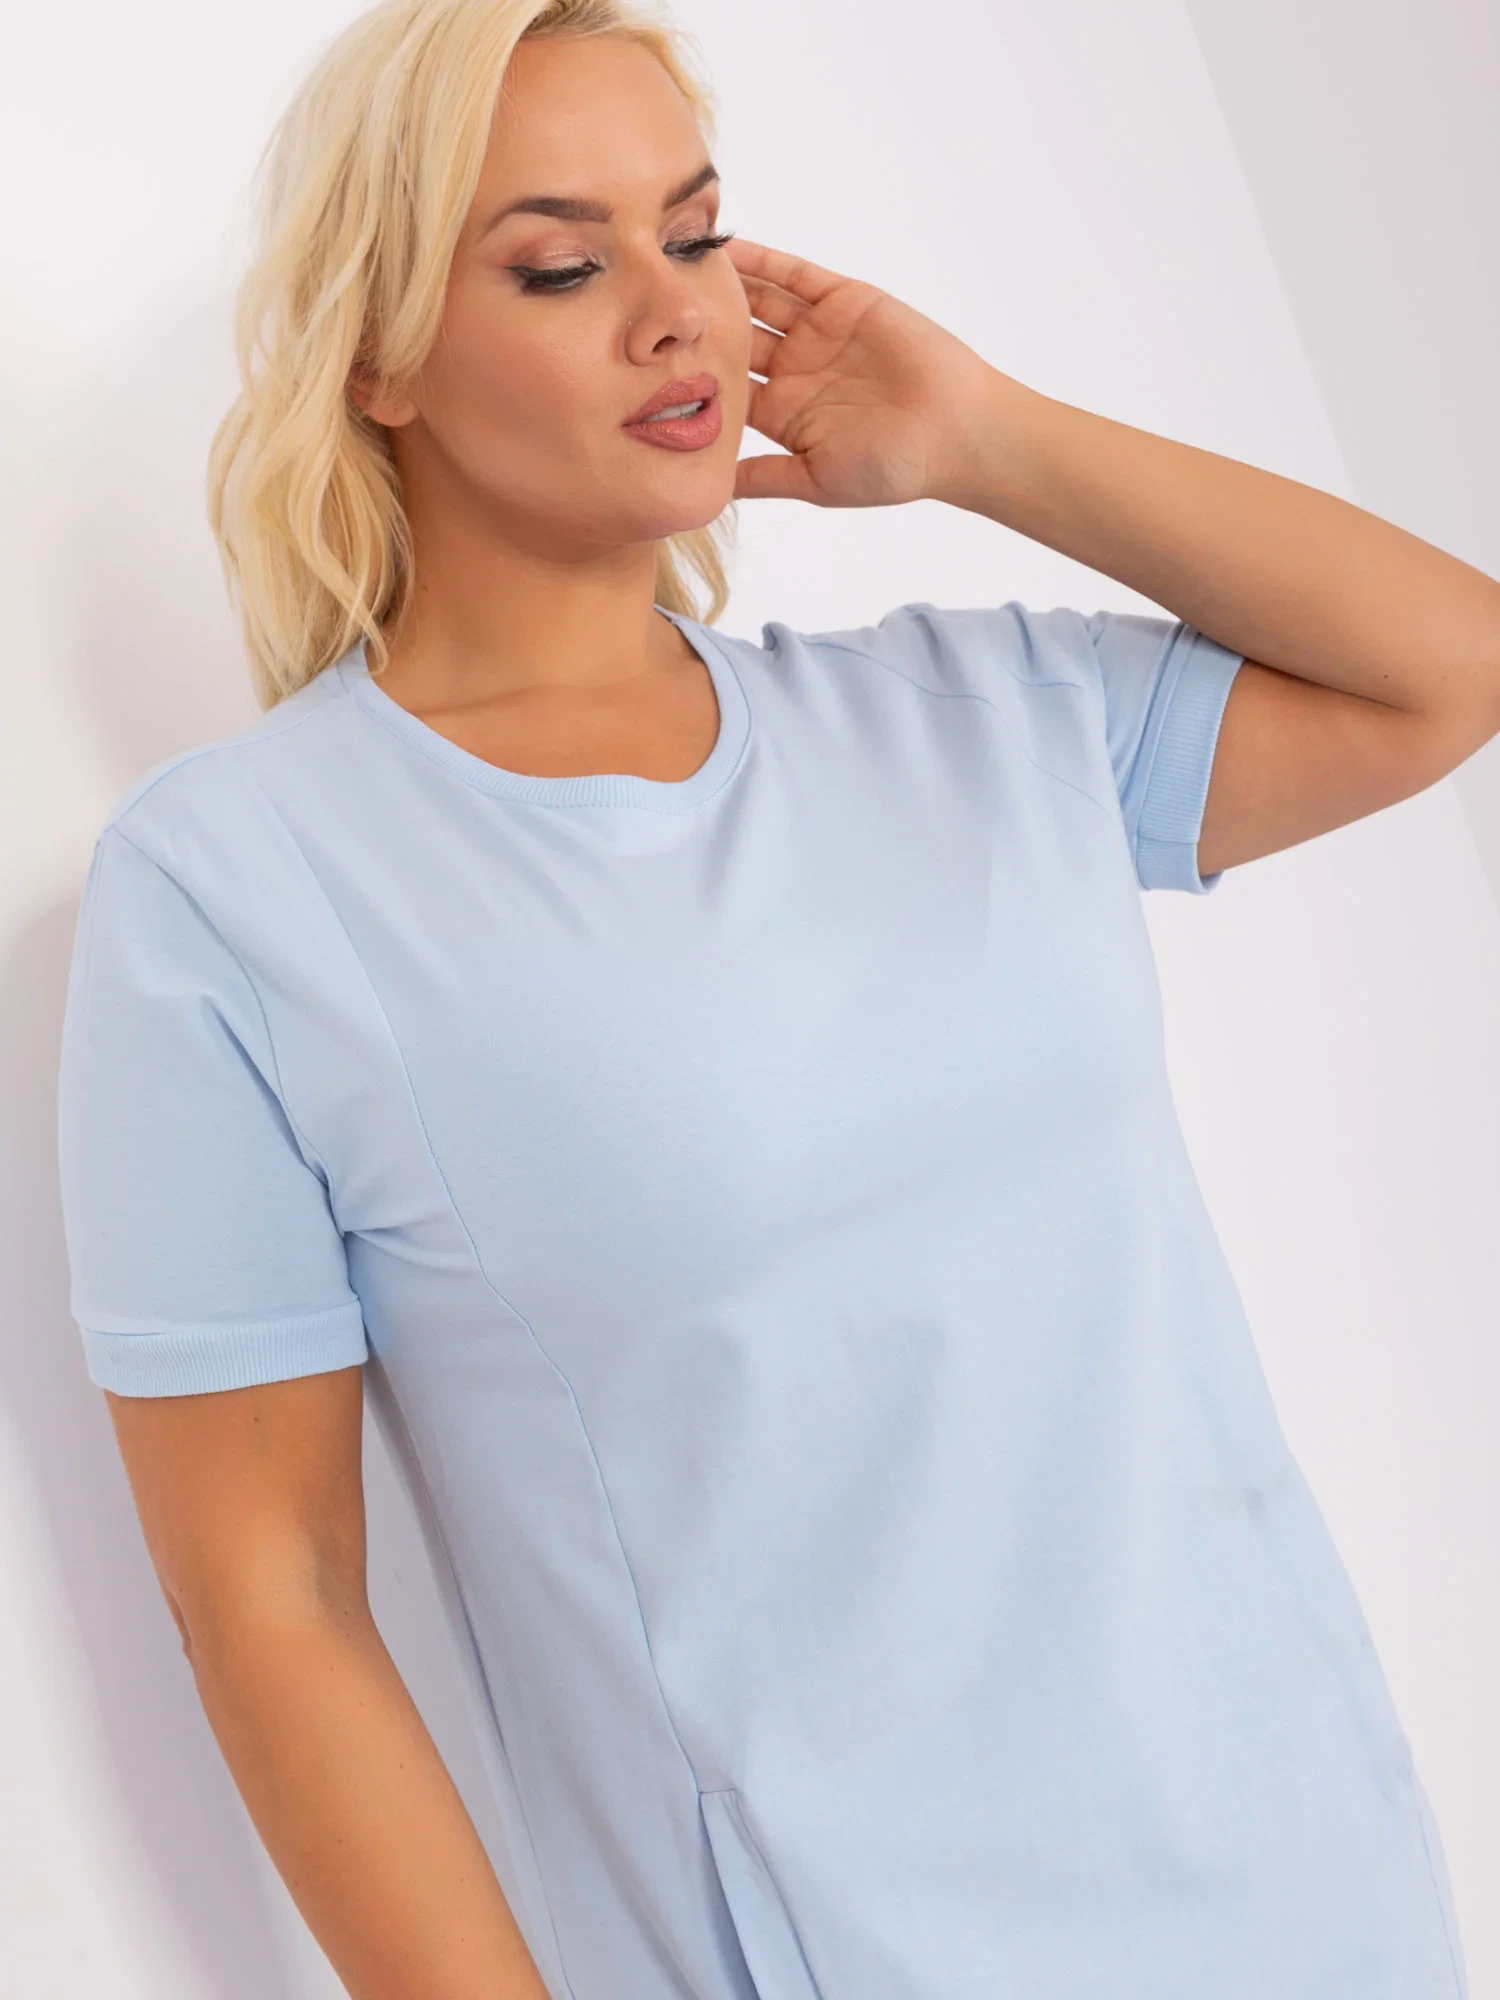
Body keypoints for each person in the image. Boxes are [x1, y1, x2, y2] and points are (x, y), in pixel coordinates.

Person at [55, 0, 1496, 1994]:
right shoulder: (239, 888)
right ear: (378, 356)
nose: (677, 313)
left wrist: (987, 439)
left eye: (698, 231)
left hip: (1316, 1899)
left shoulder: (979, 715)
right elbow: (270, 1594)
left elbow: (1448, 666)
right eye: (560, 264)